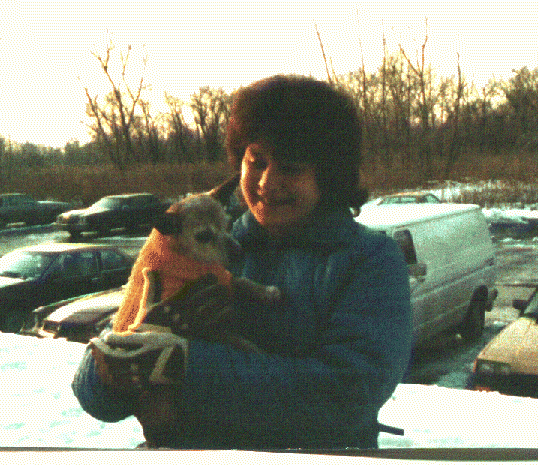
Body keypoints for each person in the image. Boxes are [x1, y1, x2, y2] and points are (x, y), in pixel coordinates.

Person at [72, 74, 412, 449]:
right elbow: (94, 392)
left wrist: (185, 363)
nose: (266, 182)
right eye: (257, 162)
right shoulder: (199, 245)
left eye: (290, 168)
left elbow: (350, 391)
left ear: (328, 175)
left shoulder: (367, 260)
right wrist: (119, 365)